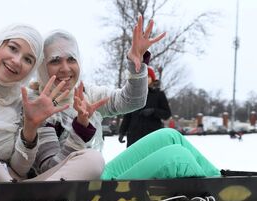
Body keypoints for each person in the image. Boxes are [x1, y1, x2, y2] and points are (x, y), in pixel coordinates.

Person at [0, 24, 104, 183]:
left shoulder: (25, 102)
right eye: (13, 48)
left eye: (28, 59)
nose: (16, 61)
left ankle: (23, 199)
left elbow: (20, 169)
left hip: (16, 185)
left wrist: (30, 127)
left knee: (92, 160)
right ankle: (19, 199)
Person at [30, 17, 164, 175]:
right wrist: (80, 129)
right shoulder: (35, 106)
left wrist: (138, 64)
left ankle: (198, 195)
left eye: (72, 59)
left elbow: (132, 101)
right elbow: (50, 172)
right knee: (172, 158)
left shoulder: (86, 93)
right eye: (55, 61)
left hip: (97, 177)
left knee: (169, 136)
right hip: (74, 191)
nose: (65, 68)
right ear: (41, 66)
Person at [118, 66, 172, 147]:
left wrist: (153, 111)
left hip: (152, 136)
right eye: (143, 77)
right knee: (134, 159)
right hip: (134, 136)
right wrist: (122, 131)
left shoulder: (159, 94)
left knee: (151, 159)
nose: (145, 79)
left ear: (152, 79)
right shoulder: (133, 94)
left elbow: (167, 114)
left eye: (148, 77)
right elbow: (128, 115)